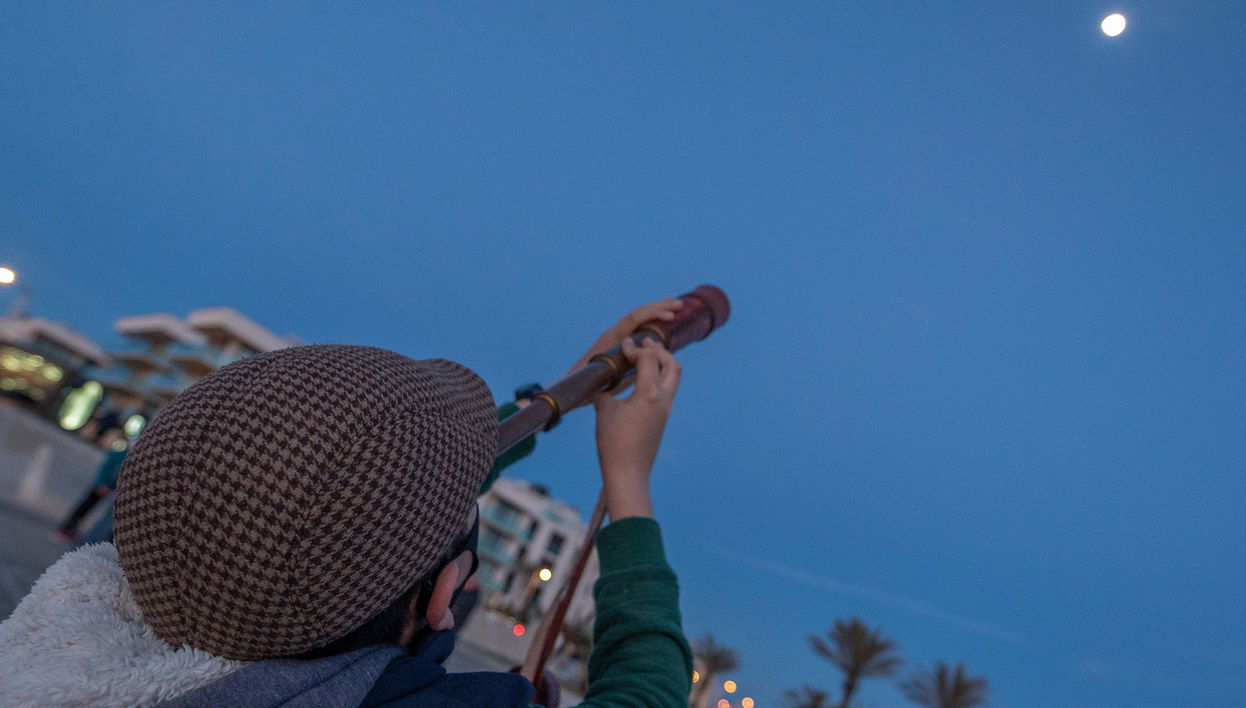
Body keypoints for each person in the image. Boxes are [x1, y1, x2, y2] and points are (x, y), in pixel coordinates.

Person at [0, 299, 693, 707]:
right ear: (441, 594)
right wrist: (629, 482)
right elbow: (647, 693)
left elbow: (360, 494)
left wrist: (571, 384)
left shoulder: (74, 636)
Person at [55, 426, 127, 542]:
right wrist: (102, 483)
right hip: (103, 485)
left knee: (88, 507)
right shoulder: (120, 453)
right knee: (86, 506)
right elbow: (108, 468)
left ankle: (70, 528)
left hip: (106, 486)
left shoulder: (122, 452)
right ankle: (68, 527)